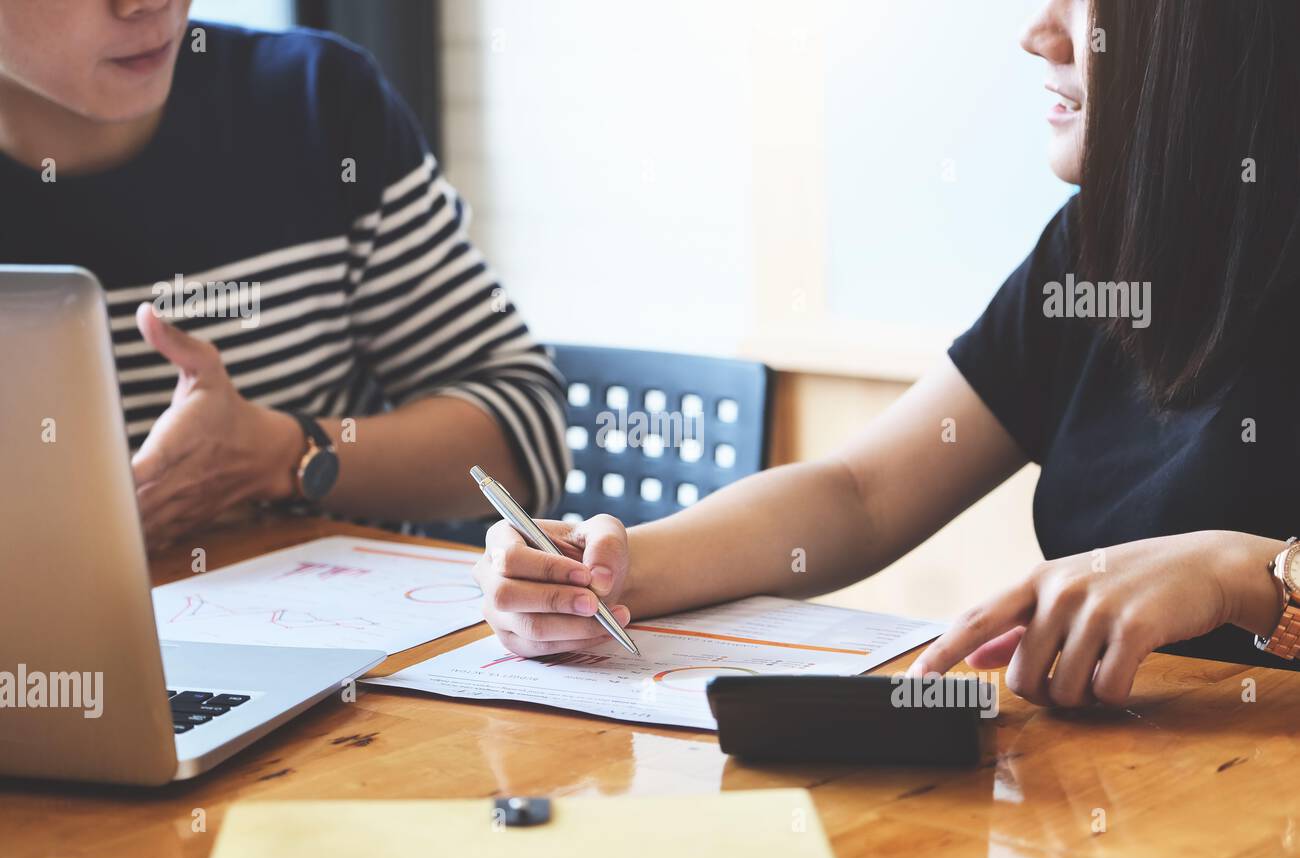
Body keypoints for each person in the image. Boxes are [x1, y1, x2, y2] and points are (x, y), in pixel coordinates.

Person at [473, 0, 1300, 708]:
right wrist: (611, 570)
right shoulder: (1097, 250)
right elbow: (860, 494)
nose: (1036, 32)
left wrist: (1245, 575)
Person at [0, 0, 568, 551]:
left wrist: (280, 455)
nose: (145, 4)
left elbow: (526, 430)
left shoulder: (316, 101)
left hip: (352, 633)